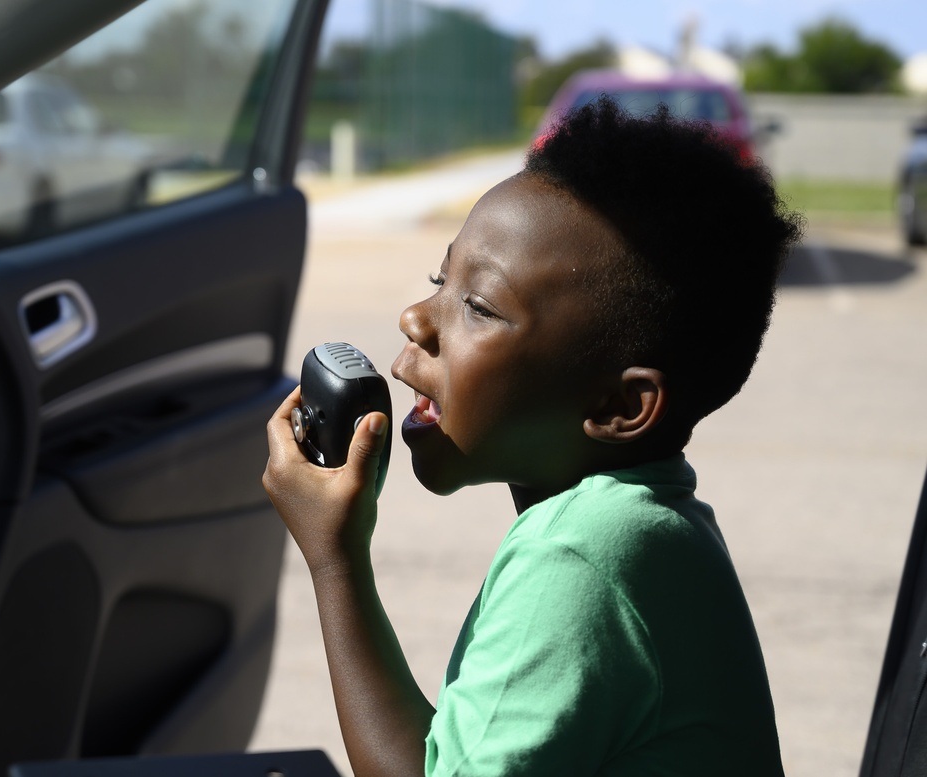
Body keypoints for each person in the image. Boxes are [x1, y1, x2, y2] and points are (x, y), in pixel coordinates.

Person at [263, 98, 804, 776]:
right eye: (440, 279)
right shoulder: (646, 525)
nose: (413, 318)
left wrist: (334, 560)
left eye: (480, 306)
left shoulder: (580, 558)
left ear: (620, 406)